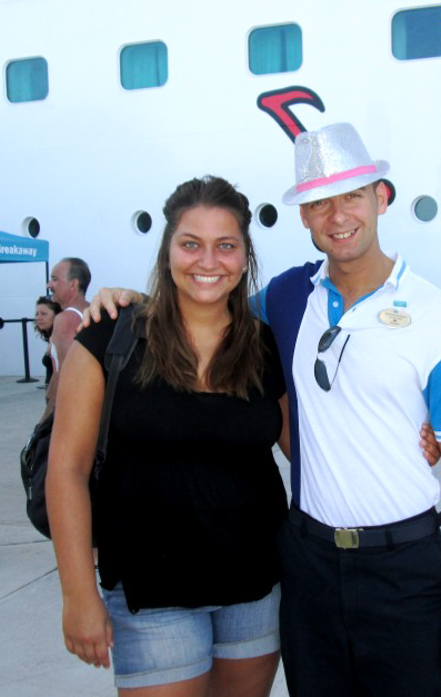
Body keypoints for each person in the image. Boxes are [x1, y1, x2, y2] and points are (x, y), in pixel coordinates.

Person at [91, 123, 441, 695]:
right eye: (318, 204)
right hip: (306, 565)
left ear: (380, 198)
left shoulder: (437, 315)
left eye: (351, 196)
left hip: (405, 567)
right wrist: (135, 300)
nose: (337, 216)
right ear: (304, 217)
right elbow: (205, 298)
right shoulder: (286, 297)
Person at [47, 177, 288, 696]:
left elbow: (311, 449)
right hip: (149, 592)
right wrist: (77, 594)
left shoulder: (264, 344)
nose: (208, 260)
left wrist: (415, 439)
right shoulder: (108, 336)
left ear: (245, 256)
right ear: (168, 250)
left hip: (256, 588)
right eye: (190, 243)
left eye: (226, 245)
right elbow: (65, 468)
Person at [43, 257, 91, 418]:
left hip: (69, 410)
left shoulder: (65, 319)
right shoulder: (93, 312)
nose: (49, 285)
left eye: (55, 279)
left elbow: (67, 377)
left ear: (74, 284)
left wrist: (45, 422)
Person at [34, 295, 62, 387]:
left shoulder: (60, 337)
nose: (39, 318)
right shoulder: (51, 335)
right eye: (37, 314)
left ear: (57, 315)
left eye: (44, 314)